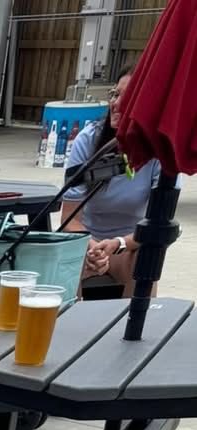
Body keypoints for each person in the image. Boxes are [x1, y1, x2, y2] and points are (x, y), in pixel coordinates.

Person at [62, 72, 172, 297]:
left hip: (130, 245)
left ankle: (135, 327)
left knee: (146, 257)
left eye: (127, 96)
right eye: (115, 94)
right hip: (89, 244)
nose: (115, 103)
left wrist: (118, 244)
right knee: (64, 264)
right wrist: (94, 248)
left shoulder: (162, 152)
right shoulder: (89, 140)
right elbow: (69, 220)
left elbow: (158, 225)